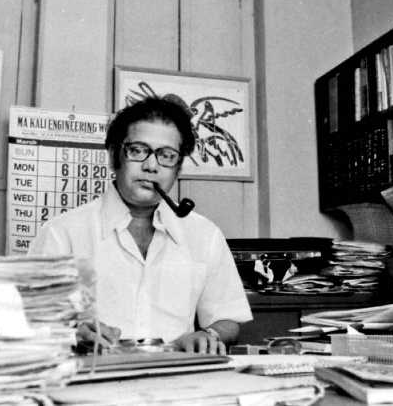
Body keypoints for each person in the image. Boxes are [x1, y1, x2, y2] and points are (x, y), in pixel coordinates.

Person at [28, 97, 252, 354]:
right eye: (137, 150)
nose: (151, 166)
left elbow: (227, 318)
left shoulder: (204, 234)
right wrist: (73, 333)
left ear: (178, 168)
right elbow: (30, 320)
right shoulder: (61, 233)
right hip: (94, 374)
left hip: (179, 373)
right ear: (114, 157)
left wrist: (208, 335)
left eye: (167, 156)